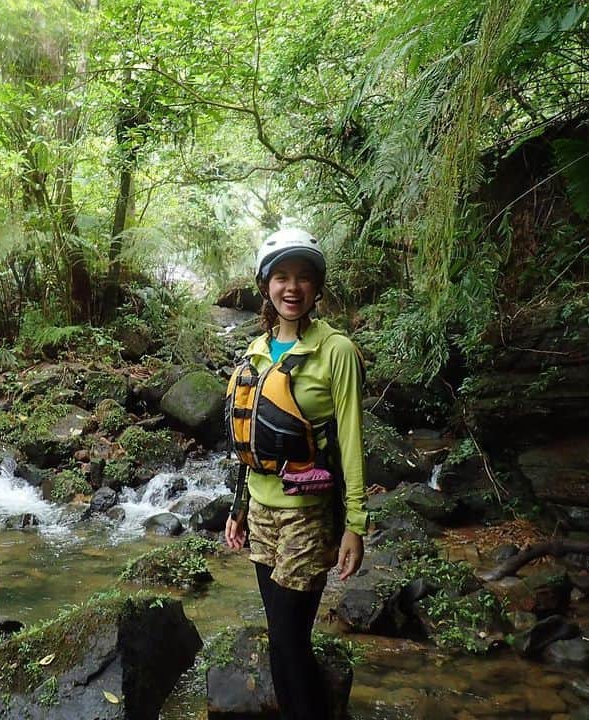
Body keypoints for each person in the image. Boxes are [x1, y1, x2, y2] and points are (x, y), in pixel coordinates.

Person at [224, 227, 367, 720]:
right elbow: (250, 442)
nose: (292, 288)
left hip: (310, 517)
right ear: (265, 286)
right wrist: (239, 509)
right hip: (262, 514)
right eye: (281, 277)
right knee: (282, 639)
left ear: (317, 287)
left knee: (288, 642)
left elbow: (351, 442)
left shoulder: (337, 351)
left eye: (303, 278)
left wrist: (355, 526)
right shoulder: (256, 351)